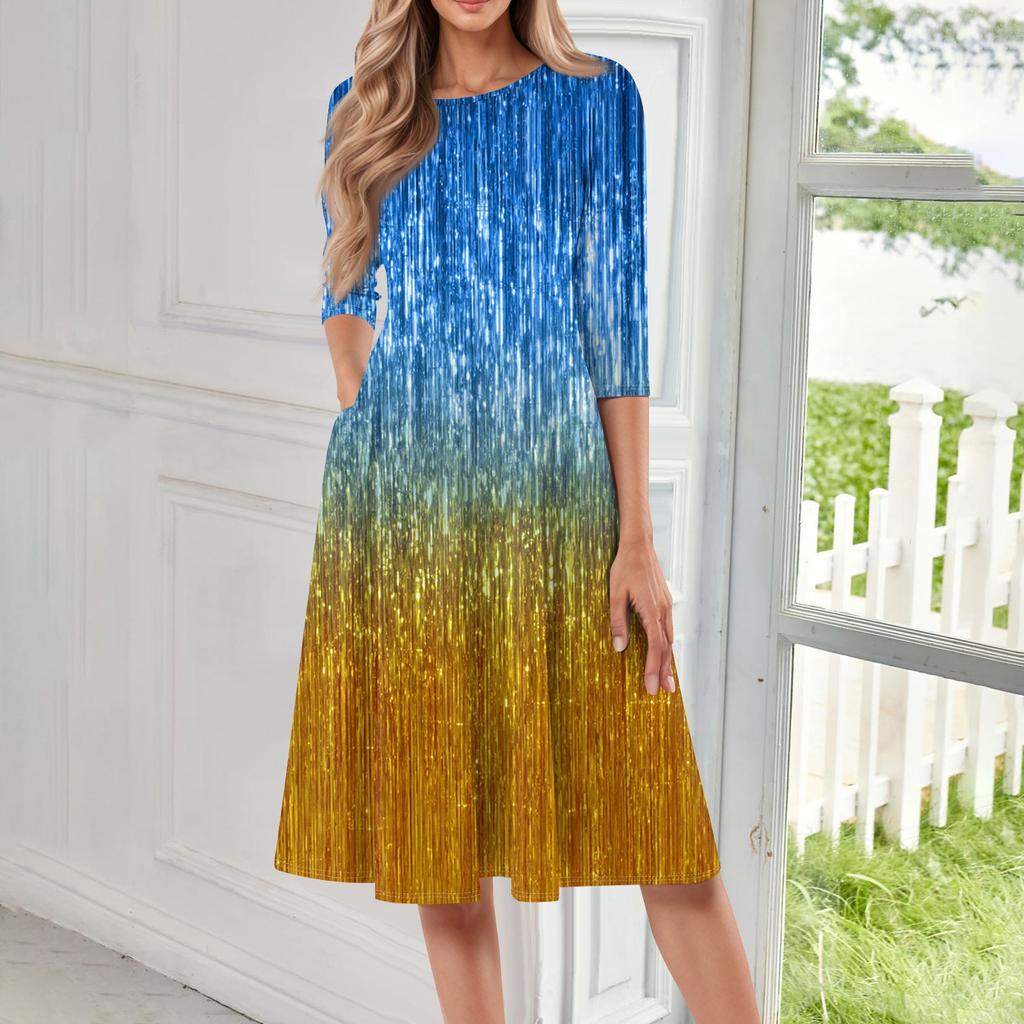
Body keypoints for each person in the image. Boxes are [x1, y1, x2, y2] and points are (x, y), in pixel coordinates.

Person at [274, 1, 761, 1021]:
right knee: (439, 838)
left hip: (561, 502)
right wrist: (369, 404)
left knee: (661, 826)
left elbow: (616, 323)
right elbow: (344, 292)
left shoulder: (598, 98)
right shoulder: (363, 108)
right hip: (408, 506)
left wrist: (636, 540)